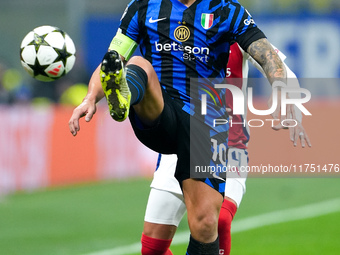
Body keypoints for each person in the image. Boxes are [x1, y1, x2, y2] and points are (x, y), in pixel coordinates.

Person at [69, 0, 296, 254]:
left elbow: (267, 55)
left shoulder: (227, 11)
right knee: (138, 64)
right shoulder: (144, 6)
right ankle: (124, 96)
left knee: (207, 223)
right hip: (163, 111)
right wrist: (90, 97)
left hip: (207, 126)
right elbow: (112, 60)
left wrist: (282, 89)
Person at [141, 42, 312, 255]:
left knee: (220, 220)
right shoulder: (177, 28)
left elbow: (280, 66)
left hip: (230, 147)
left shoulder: (236, 25)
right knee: (151, 248)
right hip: (179, 145)